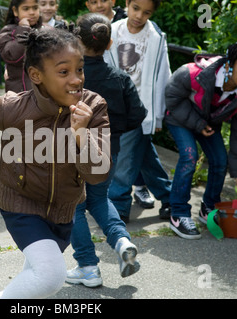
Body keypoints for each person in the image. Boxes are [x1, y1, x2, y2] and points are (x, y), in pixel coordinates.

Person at [0, 27, 111, 299]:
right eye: (64, 72)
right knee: (50, 275)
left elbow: (97, 175)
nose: (76, 80)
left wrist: (81, 135)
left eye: (80, 70)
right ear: (37, 75)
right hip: (20, 203)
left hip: (63, 209)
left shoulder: (93, 107)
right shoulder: (14, 109)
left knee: (36, 274)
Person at [65, 13, 146, 288]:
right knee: (100, 200)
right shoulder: (120, 78)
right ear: (110, 43)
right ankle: (122, 242)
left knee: (74, 205)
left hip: (73, 151)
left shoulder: (69, 77)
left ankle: (88, 266)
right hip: (108, 151)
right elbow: (138, 114)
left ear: (77, 41)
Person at [164, 42, 237, 239]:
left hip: (207, 125)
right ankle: (178, 213)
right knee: (189, 156)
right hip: (179, 118)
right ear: (229, 66)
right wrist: (197, 124)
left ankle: (209, 207)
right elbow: (172, 98)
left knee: (220, 161)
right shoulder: (192, 73)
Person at [104, 0, 172, 222]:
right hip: (116, 106)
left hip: (141, 108)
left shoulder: (156, 37)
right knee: (145, 157)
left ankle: (118, 206)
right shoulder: (112, 31)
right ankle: (171, 198)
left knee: (124, 158)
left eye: (146, 12)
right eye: (135, 8)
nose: (139, 16)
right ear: (127, 4)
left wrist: (159, 114)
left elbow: (163, 76)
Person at [0, 0, 42, 93]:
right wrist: (24, 30)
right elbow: (12, 57)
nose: (32, 12)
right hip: (20, 94)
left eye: (35, 8)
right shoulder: (8, 32)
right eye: (26, 9)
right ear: (15, 11)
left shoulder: (44, 31)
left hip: (43, 93)